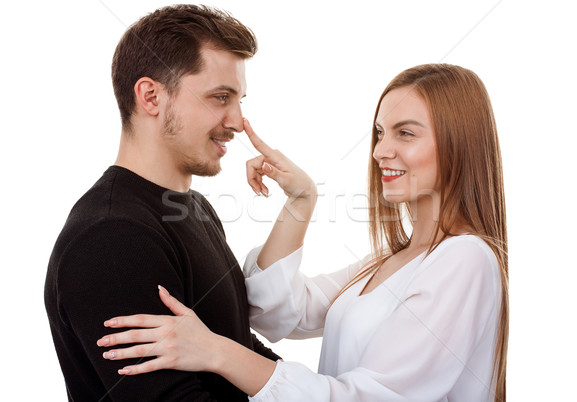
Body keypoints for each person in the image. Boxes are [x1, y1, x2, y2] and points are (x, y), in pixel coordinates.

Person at [97, 64, 509, 401]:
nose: (381, 150)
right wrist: (300, 200)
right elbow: (275, 310)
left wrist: (215, 351)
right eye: (380, 133)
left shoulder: (465, 259)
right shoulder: (390, 261)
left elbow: (368, 398)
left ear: (457, 143)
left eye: (406, 132)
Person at [44, 4, 281, 401]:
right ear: (151, 96)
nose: (238, 121)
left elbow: (236, 344)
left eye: (239, 99)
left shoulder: (194, 207)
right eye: (220, 97)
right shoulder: (111, 238)